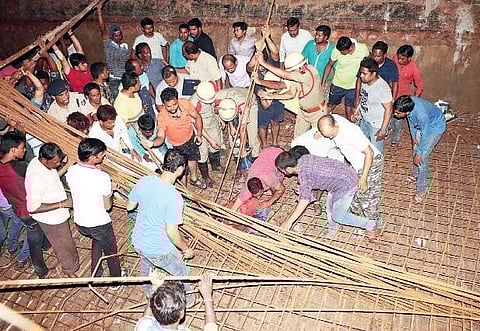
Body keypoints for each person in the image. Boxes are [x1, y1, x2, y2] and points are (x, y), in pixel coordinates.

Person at [127, 150, 195, 304]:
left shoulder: (145, 180)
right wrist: (186, 249)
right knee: (180, 271)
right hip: (157, 248)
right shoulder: (174, 197)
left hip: (138, 241)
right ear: (180, 168)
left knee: (147, 266)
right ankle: (189, 300)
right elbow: (171, 231)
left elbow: (130, 206)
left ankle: (149, 293)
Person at [275, 146, 378, 239]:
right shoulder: (302, 159)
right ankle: (332, 231)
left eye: (282, 170)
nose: (282, 173)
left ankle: (370, 224)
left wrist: (288, 223)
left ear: (288, 169)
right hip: (340, 177)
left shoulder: (304, 173)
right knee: (329, 208)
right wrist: (303, 188)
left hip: (347, 185)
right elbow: (313, 178)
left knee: (338, 216)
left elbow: (304, 201)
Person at [66, 138, 122, 279]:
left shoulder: (71, 170)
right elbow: (107, 207)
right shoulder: (102, 177)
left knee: (97, 240)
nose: (104, 155)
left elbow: (85, 186)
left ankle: (96, 273)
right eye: (101, 153)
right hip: (99, 224)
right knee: (111, 252)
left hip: (81, 222)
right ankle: (116, 280)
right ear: (92, 157)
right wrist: (111, 190)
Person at [318, 114, 383, 230]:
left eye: (332, 135)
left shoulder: (351, 133)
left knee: (368, 198)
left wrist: (364, 177)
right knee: (355, 193)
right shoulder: (332, 120)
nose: (330, 138)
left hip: (370, 163)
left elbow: (370, 153)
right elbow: (327, 120)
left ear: (336, 125)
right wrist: (321, 133)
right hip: (356, 164)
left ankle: (374, 226)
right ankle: (357, 216)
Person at [25, 143, 79, 278]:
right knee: (63, 245)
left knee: (65, 240)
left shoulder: (41, 163)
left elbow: (52, 178)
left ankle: (69, 260)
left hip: (58, 213)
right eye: (56, 162)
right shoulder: (35, 177)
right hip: (50, 218)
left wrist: (67, 165)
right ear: (44, 160)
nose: (58, 164)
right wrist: (61, 204)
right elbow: (32, 207)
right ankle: (69, 270)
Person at [0, 131, 48, 277]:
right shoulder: (20, 167)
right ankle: (22, 259)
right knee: (33, 236)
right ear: (13, 150)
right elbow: (42, 178)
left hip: (14, 207)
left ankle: (11, 246)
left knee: (19, 224)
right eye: (22, 147)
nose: (25, 150)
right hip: (27, 209)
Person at [143, 88, 206, 189]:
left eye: (174, 104)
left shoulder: (185, 104)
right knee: (181, 171)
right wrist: (152, 143)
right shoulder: (162, 117)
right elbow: (160, 137)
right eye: (168, 106)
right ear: (163, 104)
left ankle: (194, 179)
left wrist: (198, 134)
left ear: (178, 100)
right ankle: (184, 190)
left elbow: (197, 117)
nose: (172, 108)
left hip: (190, 137)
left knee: (193, 159)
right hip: (177, 145)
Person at [256, 51, 327, 137]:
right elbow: (291, 94)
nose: (292, 73)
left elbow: (285, 75)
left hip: (317, 113)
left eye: (292, 71)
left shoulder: (309, 72)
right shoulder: (298, 75)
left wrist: (263, 63)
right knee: (298, 139)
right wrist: (271, 96)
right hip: (303, 112)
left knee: (319, 139)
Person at [393, 96, 445, 203]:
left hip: (435, 127)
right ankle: (415, 175)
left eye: (398, 113)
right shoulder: (407, 103)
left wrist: (420, 152)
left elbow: (426, 134)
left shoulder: (421, 115)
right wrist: (413, 137)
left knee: (422, 159)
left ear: (406, 111)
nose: (395, 114)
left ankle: (421, 189)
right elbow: (410, 121)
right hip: (422, 126)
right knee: (415, 149)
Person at [135, 273, 218, 330]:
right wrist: (207, 297)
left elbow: (145, 319)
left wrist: (155, 288)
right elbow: (211, 328)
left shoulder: (143, 326)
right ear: (181, 313)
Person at [322, 36, 369, 120]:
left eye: (343, 52)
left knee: (349, 110)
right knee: (330, 105)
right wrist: (323, 82)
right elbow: (329, 65)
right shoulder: (337, 50)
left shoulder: (362, 49)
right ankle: (324, 123)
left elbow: (370, 60)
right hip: (337, 84)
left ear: (350, 47)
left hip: (353, 87)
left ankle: (349, 128)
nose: (341, 53)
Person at [352, 57, 393, 153]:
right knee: (362, 146)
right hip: (365, 120)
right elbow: (363, 97)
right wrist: (357, 111)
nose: (361, 76)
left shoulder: (382, 88)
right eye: (361, 72)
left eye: (364, 73)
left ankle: (376, 168)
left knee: (376, 152)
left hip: (376, 125)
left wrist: (382, 131)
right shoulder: (365, 81)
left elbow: (389, 110)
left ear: (374, 74)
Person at [189, 82, 223, 187]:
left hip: (211, 121)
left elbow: (217, 106)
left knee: (216, 144)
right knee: (202, 152)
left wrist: (220, 117)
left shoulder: (210, 91)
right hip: (199, 128)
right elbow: (196, 124)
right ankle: (206, 176)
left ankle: (215, 165)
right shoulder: (193, 103)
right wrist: (209, 140)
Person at [230, 147, 285, 212]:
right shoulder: (248, 187)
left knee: (278, 182)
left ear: (262, 188)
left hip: (279, 155)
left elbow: (282, 189)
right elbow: (236, 204)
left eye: (259, 195)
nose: (258, 198)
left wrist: (268, 203)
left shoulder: (268, 178)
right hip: (265, 153)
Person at [391, 45, 425, 146]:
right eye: (398, 57)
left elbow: (420, 85)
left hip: (402, 95)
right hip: (391, 91)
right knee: (389, 112)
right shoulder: (395, 59)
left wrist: (415, 99)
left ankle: (396, 133)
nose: (399, 60)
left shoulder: (413, 68)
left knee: (398, 118)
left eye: (402, 59)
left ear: (409, 58)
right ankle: (389, 126)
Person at [215, 87, 261, 160]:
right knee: (233, 132)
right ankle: (236, 153)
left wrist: (243, 151)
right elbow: (217, 110)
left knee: (252, 131)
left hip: (249, 102)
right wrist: (226, 121)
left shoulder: (244, 107)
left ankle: (255, 154)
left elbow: (243, 129)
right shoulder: (218, 97)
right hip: (233, 100)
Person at [97, 3, 129, 100]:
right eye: (116, 35)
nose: (118, 37)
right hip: (114, 80)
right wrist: (99, 12)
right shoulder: (109, 46)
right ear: (111, 36)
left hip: (124, 78)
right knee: (116, 99)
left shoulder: (125, 46)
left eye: (119, 35)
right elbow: (103, 30)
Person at [354, 41, 398, 109]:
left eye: (378, 56)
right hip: (366, 95)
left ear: (385, 55)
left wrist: (392, 100)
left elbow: (395, 83)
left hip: (381, 97)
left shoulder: (391, 66)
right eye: (373, 55)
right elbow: (359, 79)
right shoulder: (367, 63)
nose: (375, 58)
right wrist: (357, 97)